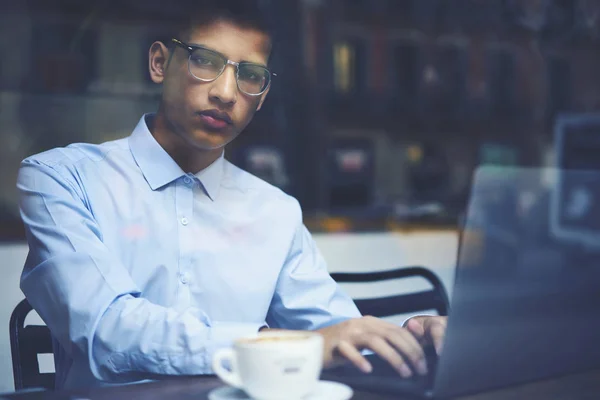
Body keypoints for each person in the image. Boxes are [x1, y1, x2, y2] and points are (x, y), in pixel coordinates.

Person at [16, 0, 447, 390]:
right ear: (159, 63)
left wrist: (409, 336)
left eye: (250, 75)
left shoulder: (275, 211)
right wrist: (276, 344)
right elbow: (106, 330)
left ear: (261, 98)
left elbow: (335, 332)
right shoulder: (59, 178)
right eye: (205, 61)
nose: (225, 92)